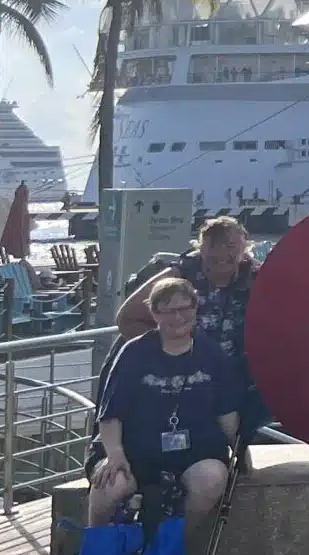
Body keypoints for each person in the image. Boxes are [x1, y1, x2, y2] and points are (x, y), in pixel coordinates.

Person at [88, 275, 239, 535]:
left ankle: (169, 545)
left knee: (212, 480)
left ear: (195, 309)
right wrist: (115, 454)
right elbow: (110, 414)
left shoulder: (213, 355)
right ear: (155, 314)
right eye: (168, 311)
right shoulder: (133, 352)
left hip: (195, 452)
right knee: (108, 483)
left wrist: (239, 452)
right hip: (135, 451)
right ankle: (95, 550)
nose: (178, 317)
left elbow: (227, 414)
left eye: (184, 309)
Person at [116, 215, 267, 439]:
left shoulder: (259, 277)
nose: (222, 254)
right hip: (186, 369)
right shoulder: (180, 274)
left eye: (231, 247)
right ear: (200, 249)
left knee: (253, 409)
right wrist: (167, 349)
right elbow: (127, 318)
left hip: (236, 372)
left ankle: (239, 454)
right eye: (213, 247)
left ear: (245, 248)